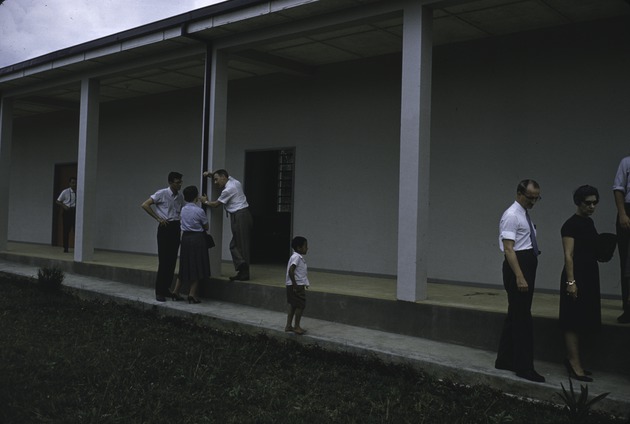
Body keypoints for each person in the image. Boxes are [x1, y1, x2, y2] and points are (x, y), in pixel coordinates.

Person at [495, 179, 545, 383]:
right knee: (523, 317)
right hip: (518, 265)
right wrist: (519, 276)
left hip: (526, 263)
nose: (533, 202)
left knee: (514, 314)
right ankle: (524, 367)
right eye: (530, 198)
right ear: (519, 193)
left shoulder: (523, 213)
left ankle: (504, 359)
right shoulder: (512, 215)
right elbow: (509, 248)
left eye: (536, 198)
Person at [559, 185, 601, 382]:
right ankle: (574, 364)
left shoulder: (589, 223)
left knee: (583, 319)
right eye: (588, 203)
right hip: (575, 275)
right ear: (578, 202)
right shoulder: (570, 224)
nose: (592, 206)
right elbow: (568, 255)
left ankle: (577, 361)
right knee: (572, 321)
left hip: (590, 275)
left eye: (595, 203)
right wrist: (571, 281)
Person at [202, 169, 253, 281]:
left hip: (240, 216)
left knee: (240, 245)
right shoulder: (235, 181)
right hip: (240, 215)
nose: (215, 182)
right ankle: (242, 269)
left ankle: (244, 270)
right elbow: (223, 174)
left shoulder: (228, 189)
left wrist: (205, 201)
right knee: (236, 245)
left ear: (223, 177)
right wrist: (211, 174)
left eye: (216, 179)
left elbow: (215, 204)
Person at [141, 172, 184, 302]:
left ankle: (166, 289)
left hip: (176, 227)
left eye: (181, 181)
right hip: (165, 227)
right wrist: (158, 218)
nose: (180, 184)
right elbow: (145, 204)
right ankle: (159, 291)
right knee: (164, 260)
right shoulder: (162, 193)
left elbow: (181, 210)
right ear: (170, 182)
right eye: (177, 182)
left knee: (171, 261)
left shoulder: (180, 196)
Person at [172, 185, 210, 304]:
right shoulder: (199, 211)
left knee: (185, 264)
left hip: (185, 238)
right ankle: (192, 294)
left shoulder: (183, 209)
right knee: (197, 264)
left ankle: (176, 291)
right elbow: (206, 226)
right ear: (196, 196)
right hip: (197, 238)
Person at [613, 156, 630, 323]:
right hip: (628, 211)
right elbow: (618, 189)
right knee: (627, 263)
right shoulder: (626, 162)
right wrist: (623, 214)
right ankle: (628, 307)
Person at [285, 236, 309, 335]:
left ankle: (288, 325)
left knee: (293, 305)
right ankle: (297, 326)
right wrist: (295, 285)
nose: (307, 248)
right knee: (300, 305)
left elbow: (300, 273)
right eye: (305, 246)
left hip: (293, 285)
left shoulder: (296, 257)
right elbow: (291, 271)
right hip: (296, 286)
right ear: (299, 248)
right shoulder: (296, 257)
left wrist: (305, 283)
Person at [56, 177, 77, 253]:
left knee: (76, 230)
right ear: (69, 183)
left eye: (75, 183)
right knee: (66, 230)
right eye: (72, 183)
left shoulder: (78, 191)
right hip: (67, 211)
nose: (74, 184)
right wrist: (64, 206)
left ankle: (77, 248)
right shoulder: (65, 192)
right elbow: (58, 201)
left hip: (75, 211)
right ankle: (65, 247)